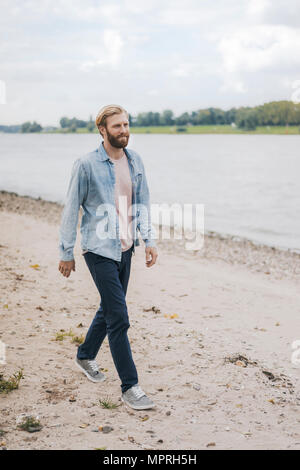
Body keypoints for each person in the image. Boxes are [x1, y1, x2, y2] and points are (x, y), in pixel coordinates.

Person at [58, 104, 158, 410]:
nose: (124, 131)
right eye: (117, 126)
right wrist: (66, 252)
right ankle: (131, 386)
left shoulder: (135, 160)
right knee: (119, 317)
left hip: (126, 249)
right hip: (98, 250)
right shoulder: (86, 164)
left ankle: (85, 355)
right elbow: (71, 207)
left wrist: (149, 240)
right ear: (102, 130)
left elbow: (142, 203)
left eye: (126, 125)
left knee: (108, 308)